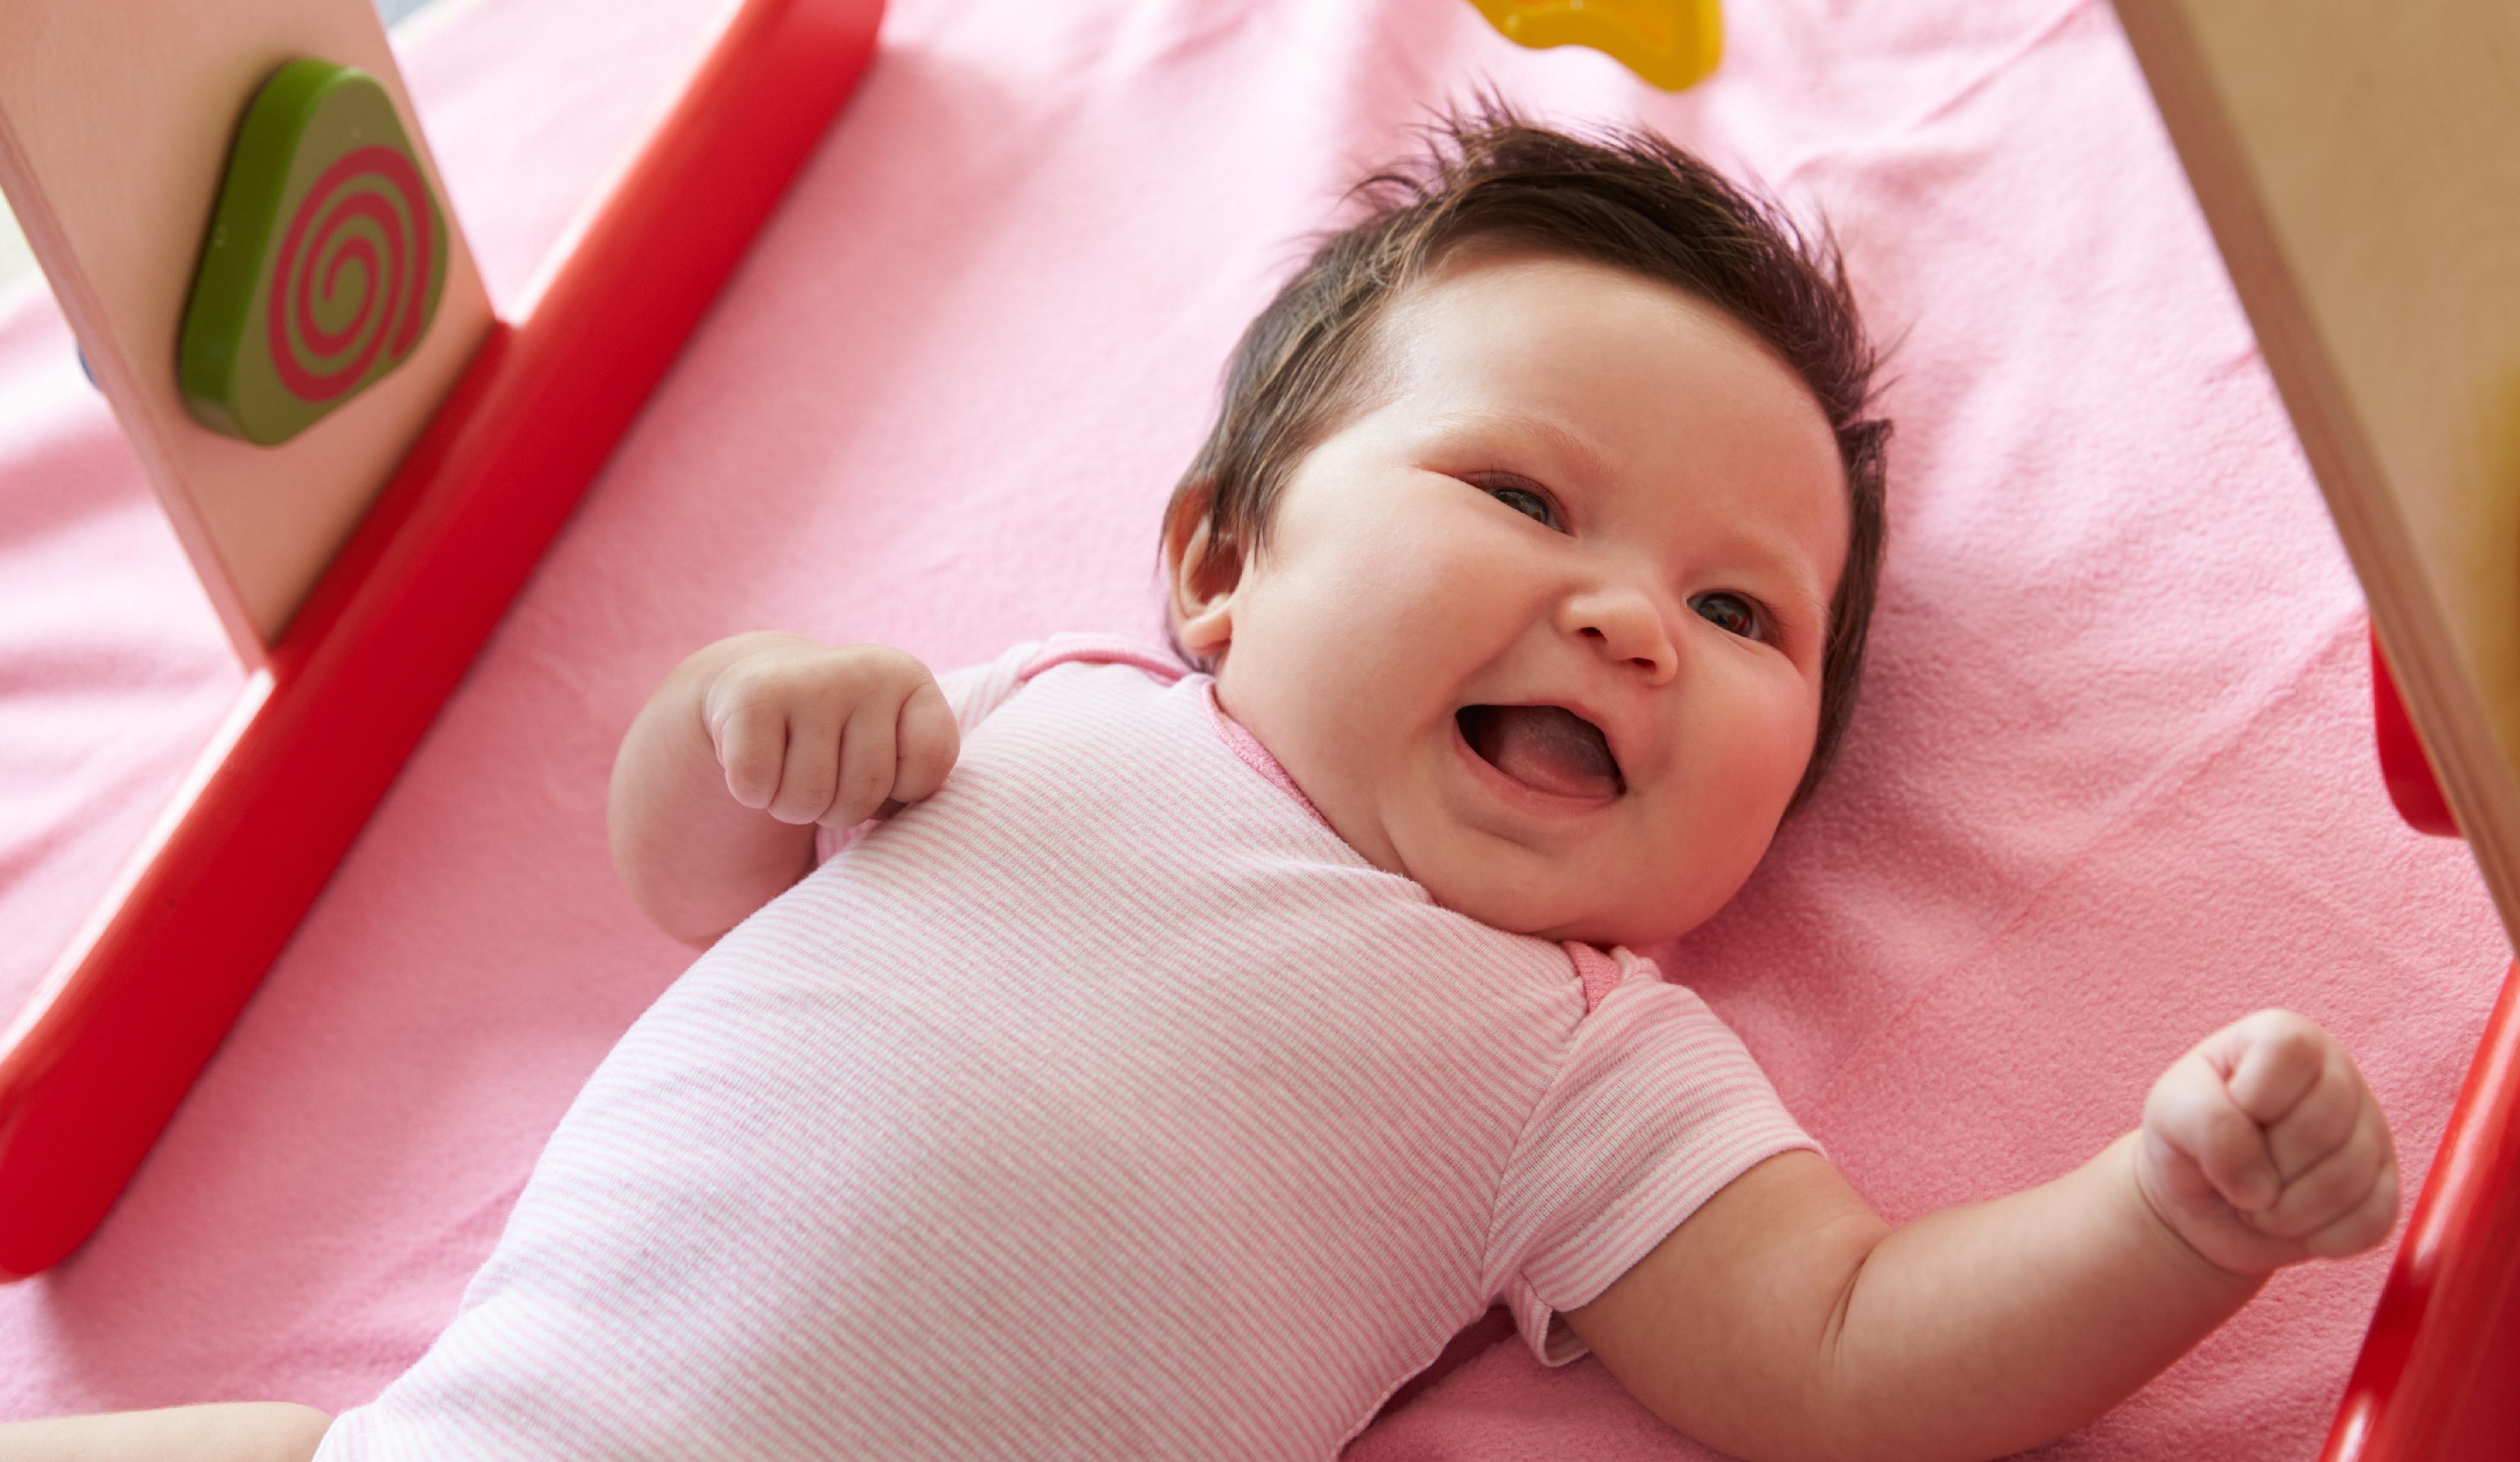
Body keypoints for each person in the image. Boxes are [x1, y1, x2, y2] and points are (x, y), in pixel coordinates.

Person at [0, 116, 2397, 1462]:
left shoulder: (1574, 1056)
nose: (1635, 616)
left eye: (1746, 614)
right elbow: (695, 876)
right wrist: (747, 713)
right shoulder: (1042, 711)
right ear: (1223, 567)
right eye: (1527, 498)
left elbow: (1851, 1354)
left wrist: (2164, 1221)